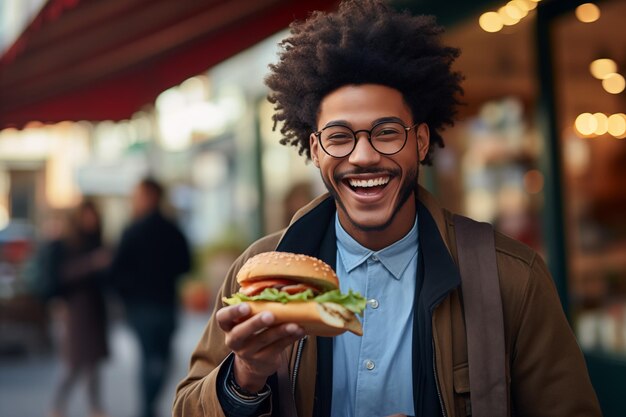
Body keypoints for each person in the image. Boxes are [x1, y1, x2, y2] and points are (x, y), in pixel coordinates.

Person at [173, 1, 602, 416]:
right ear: (315, 150)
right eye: (340, 137)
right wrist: (244, 378)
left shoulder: (512, 276)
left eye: (386, 132)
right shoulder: (261, 271)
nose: (362, 157)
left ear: (419, 142)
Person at [109, 178, 192, 417]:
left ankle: (147, 408)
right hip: (164, 304)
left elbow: (115, 272)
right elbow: (186, 265)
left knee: (149, 359)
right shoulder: (172, 229)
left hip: (142, 307)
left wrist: (127, 295)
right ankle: (148, 406)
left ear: (151, 196)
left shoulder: (132, 230)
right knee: (161, 359)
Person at [49, 201, 110, 417]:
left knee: (92, 364)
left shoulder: (97, 241)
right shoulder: (68, 244)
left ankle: (95, 408)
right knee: (74, 363)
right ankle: (58, 406)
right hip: (76, 310)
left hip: (95, 308)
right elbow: (63, 275)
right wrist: (92, 263)